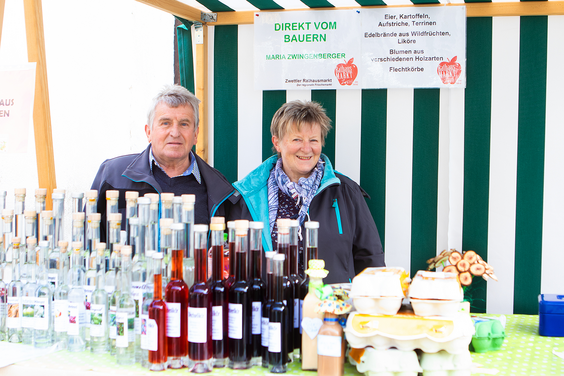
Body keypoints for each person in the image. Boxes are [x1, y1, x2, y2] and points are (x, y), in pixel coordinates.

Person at [231, 100, 385, 284]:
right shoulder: (249, 194)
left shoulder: (346, 192)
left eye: (313, 140)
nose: (306, 148)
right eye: (297, 139)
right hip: (269, 308)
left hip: (331, 307)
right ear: (277, 142)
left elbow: (371, 261)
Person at [90, 84, 240, 241]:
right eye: (165, 123)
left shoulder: (218, 190)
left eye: (184, 124)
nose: (175, 133)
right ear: (149, 132)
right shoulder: (112, 175)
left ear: (195, 134)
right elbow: (88, 241)